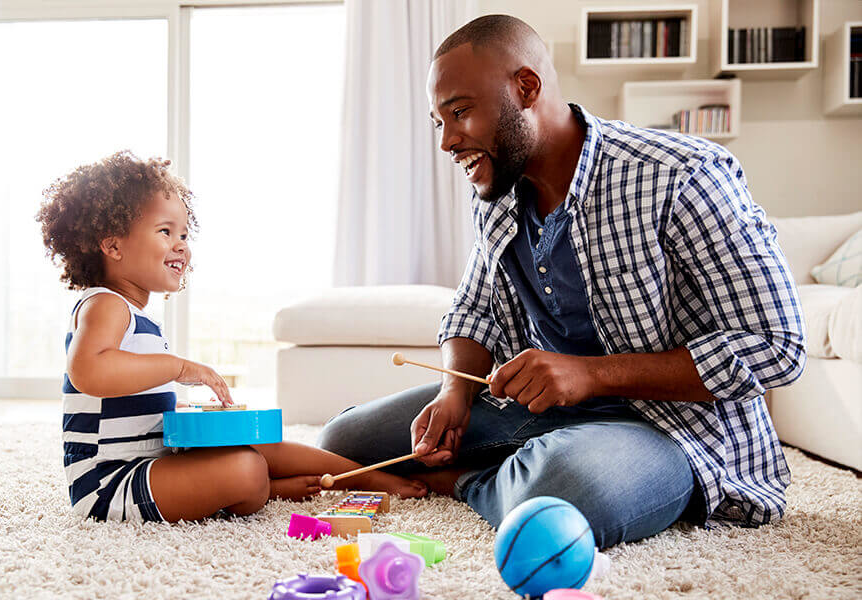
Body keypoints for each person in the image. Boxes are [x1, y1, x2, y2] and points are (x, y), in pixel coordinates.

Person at [318, 15, 806, 548]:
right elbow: (474, 309)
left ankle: (463, 482)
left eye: (460, 112)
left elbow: (776, 347)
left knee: (563, 490)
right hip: (541, 415)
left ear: (525, 88)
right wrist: (454, 391)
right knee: (344, 440)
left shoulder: (683, 175)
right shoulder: (500, 189)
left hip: (671, 432)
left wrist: (592, 376)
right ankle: (517, 471)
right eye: (439, 121)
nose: (448, 142)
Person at [37, 151, 426, 523]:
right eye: (165, 231)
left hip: (153, 461)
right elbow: (89, 370)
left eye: (184, 234)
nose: (181, 245)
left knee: (256, 443)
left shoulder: (138, 316)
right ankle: (269, 488)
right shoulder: (105, 304)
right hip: (110, 484)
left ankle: (365, 477)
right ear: (113, 245)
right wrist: (180, 368)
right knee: (247, 468)